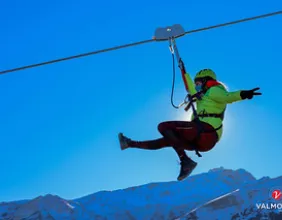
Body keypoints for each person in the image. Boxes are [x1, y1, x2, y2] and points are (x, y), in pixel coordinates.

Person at [118, 68, 261, 181]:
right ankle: (130, 144)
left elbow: (228, 97)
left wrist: (243, 94)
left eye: (199, 83)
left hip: (207, 131)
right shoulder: (202, 95)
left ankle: (185, 161)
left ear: (206, 81)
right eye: (196, 83)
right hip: (202, 138)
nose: (197, 86)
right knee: (168, 140)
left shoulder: (215, 90)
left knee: (164, 127)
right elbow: (189, 88)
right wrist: (182, 69)